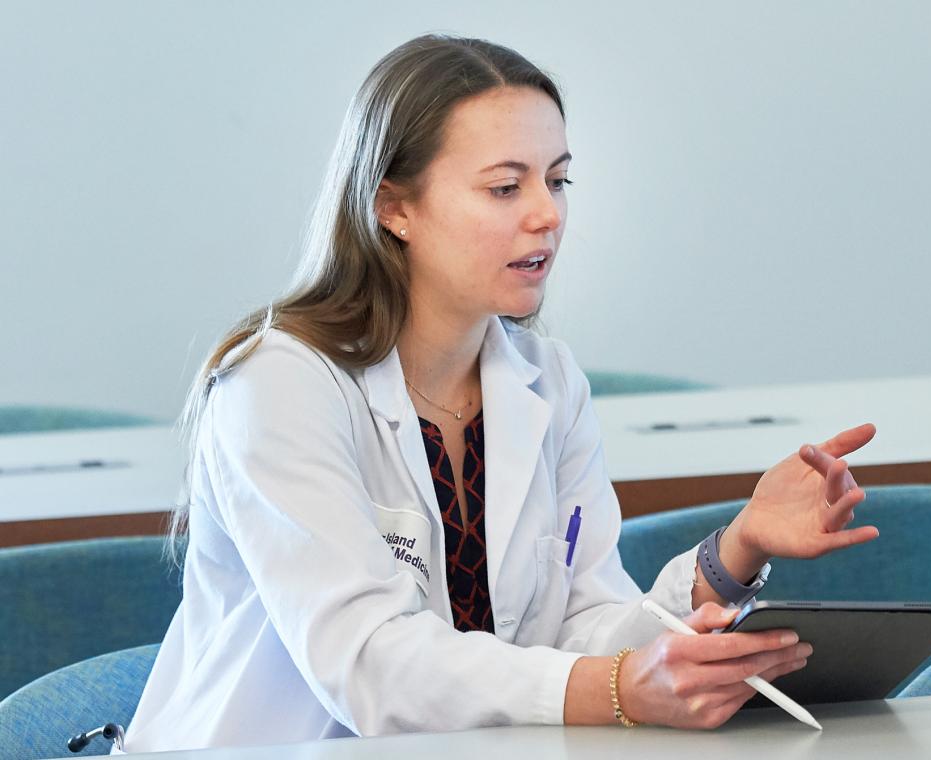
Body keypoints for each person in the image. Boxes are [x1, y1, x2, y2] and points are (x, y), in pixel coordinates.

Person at [124, 35, 880, 751]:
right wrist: (618, 688)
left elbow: (587, 631)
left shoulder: (548, 380)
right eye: (505, 187)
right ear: (394, 207)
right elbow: (368, 664)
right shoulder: (278, 383)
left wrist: (735, 551)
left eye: (558, 180)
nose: (547, 214)